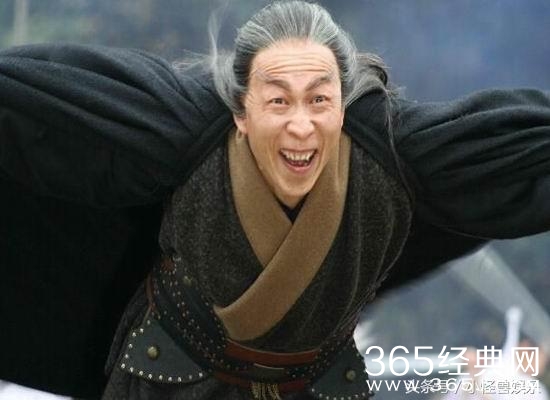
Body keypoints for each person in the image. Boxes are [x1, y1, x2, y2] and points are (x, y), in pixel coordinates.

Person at [0, 1, 549, 399]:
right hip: (168, 383)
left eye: (319, 100)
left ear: (343, 107)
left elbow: (518, 153)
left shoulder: (390, 155)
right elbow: (38, 103)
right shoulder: (184, 130)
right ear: (242, 112)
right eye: (279, 101)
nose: (300, 126)